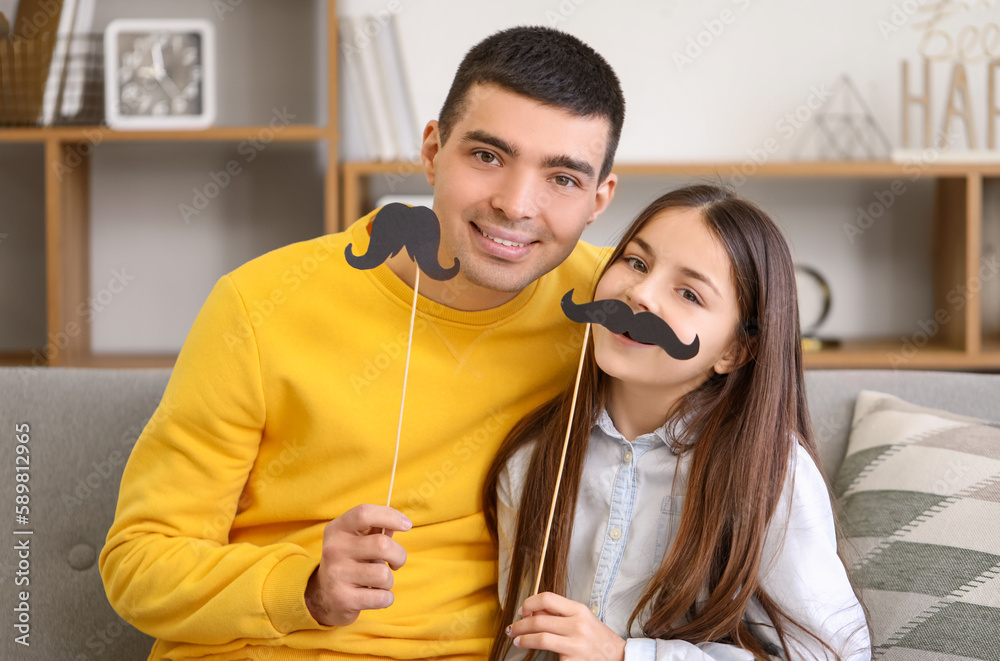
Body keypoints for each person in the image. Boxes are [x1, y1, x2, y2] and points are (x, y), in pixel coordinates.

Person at [100, 26, 623, 660]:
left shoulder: (612, 311)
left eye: (562, 179)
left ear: (599, 200)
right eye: (487, 156)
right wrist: (310, 588)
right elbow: (137, 563)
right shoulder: (259, 303)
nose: (516, 205)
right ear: (432, 150)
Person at [484, 185, 871, 660]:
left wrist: (625, 655)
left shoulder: (769, 472)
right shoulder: (532, 458)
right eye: (637, 263)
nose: (640, 294)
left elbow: (832, 655)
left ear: (734, 350)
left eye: (689, 293)